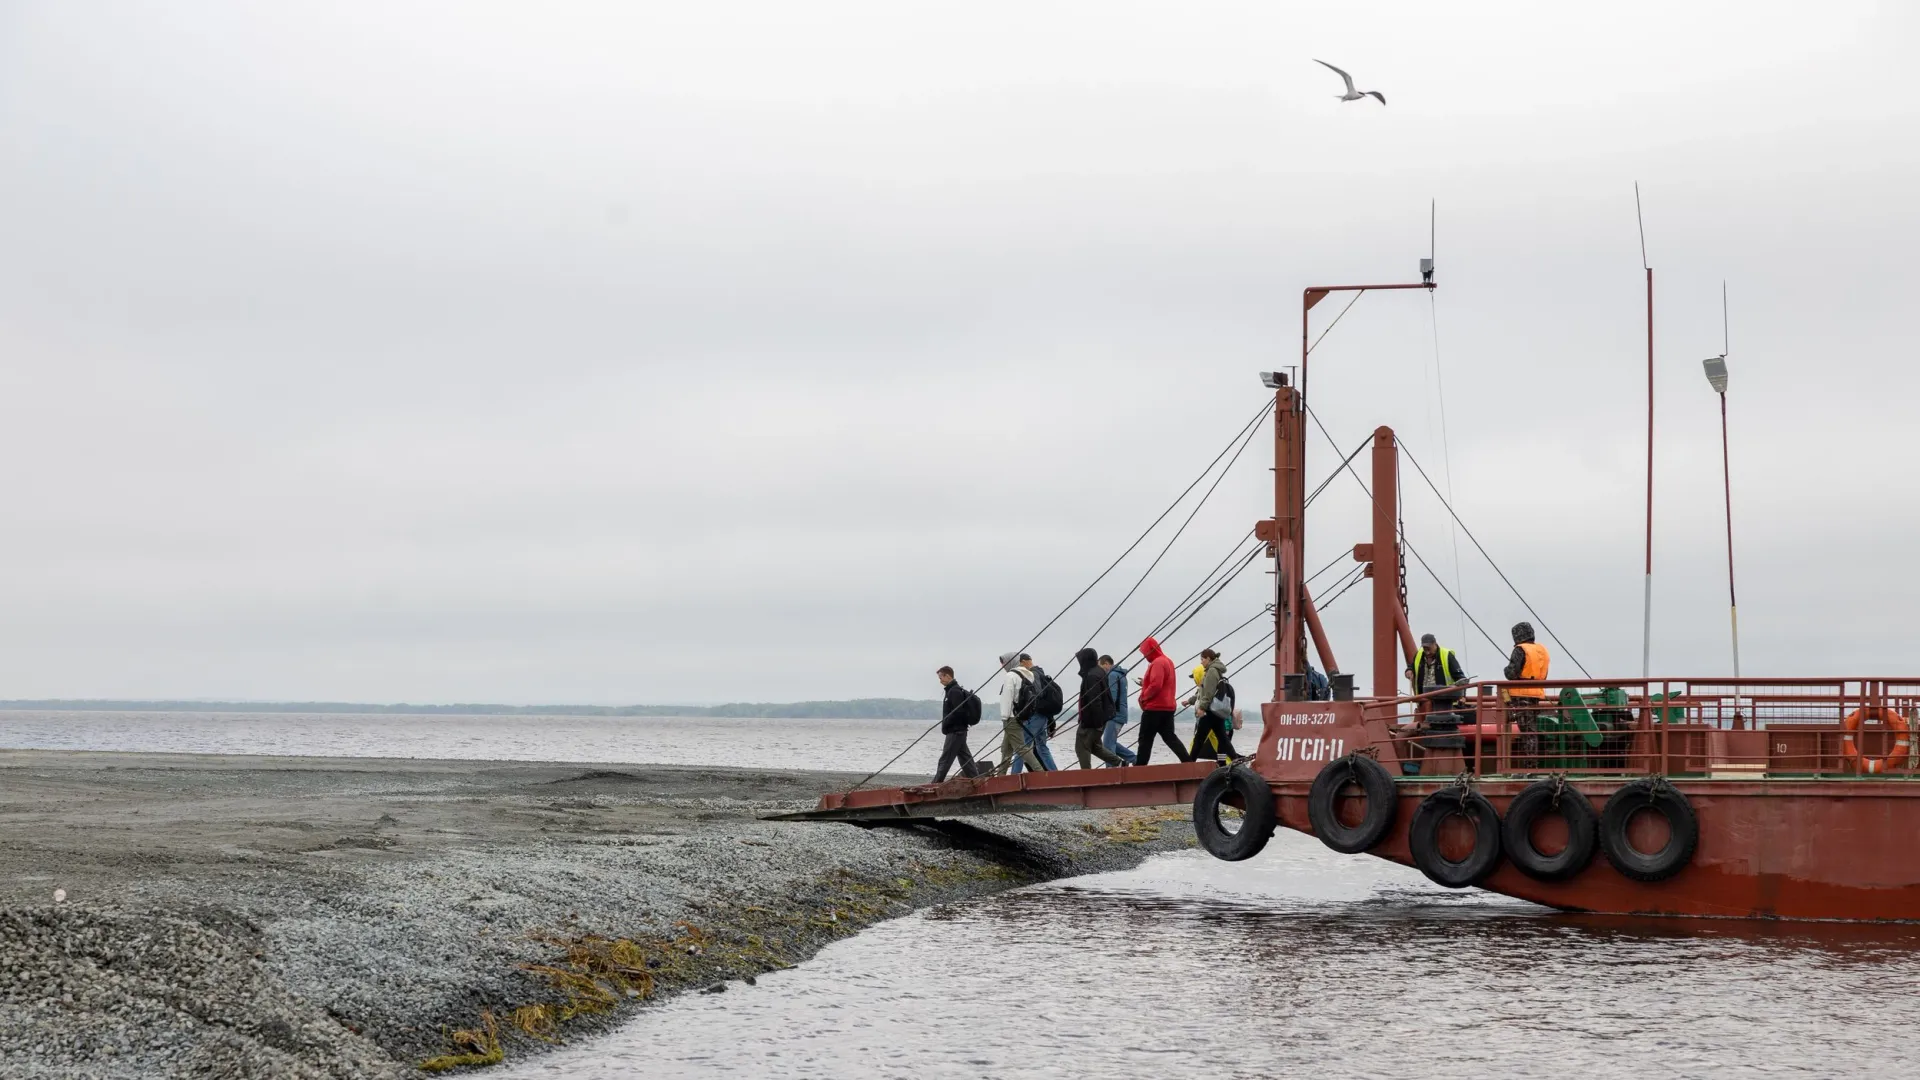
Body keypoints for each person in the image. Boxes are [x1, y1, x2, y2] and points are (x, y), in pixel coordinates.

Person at [1404, 633, 1469, 775]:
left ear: (1435, 644)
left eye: (1429, 648)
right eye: (1424, 648)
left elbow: (1460, 678)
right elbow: (1411, 666)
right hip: (1424, 699)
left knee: (1432, 717)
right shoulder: (1419, 655)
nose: (1427, 651)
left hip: (1443, 702)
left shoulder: (1447, 656)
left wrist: (1462, 696)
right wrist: (1409, 671)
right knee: (1425, 713)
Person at [1133, 636, 1191, 765]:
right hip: (1168, 707)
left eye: (1145, 652)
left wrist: (1143, 697)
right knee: (1170, 737)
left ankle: (1139, 768)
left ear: (1150, 650)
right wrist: (1145, 684)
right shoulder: (1168, 661)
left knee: (1145, 740)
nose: (1144, 656)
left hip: (1154, 708)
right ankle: (1188, 762)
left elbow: (1156, 685)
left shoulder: (1157, 663)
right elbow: (1162, 683)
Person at [1504, 621, 1552, 765]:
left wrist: (1505, 670)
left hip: (1521, 694)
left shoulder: (1520, 649)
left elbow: (1512, 673)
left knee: (1527, 731)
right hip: (1536, 694)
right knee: (1533, 729)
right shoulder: (1541, 650)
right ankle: (1533, 763)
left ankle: (1530, 765)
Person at [994, 651, 1043, 775]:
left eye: (1004, 663)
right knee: (1006, 748)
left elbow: (1007, 697)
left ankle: (1040, 772)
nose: (1003, 666)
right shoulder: (1028, 675)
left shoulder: (1011, 676)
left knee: (1021, 748)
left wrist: (1004, 718)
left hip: (1010, 717)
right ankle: (1001, 775)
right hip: (1020, 715)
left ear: (1011, 661)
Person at [1073, 648, 1123, 769]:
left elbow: (1095, 701)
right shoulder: (1099, 672)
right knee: (1095, 746)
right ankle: (1120, 763)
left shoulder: (1091, 676)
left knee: (1081, 747)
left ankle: (1086, 777)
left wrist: (1096, 722)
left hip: (1092, 721)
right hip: (1099, 719)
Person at [1190, 649, 1241, 762]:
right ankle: (1235, 760)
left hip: (1210, 711)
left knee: (1199, 738)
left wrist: (1202, 707)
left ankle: (1188, 764)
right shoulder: (1216, 670)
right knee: (1223, 739)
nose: (1201, 662)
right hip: (1215, 713)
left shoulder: (1212, 671)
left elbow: (1209, 692)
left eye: (1202, 659)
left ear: (1208, 659)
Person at [932, 665, 982, 782]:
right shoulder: (951, 690)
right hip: (958, 731)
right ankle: (976, 780)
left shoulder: (954, 691)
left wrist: (947, 722)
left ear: (948, 676)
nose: (940, 681)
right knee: (965, 758)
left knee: (945, 760)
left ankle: (936, 783)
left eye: (941, 678)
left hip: (956, 731)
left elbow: (958, 712)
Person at [1013, 654, 1060, 773]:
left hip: (1035, 716)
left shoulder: (1033, 674)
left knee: (1022, 747)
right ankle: (1055, 774)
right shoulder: (1041, 673)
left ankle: (1014, 776)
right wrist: (1050, 721)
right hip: (1043, 716)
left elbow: (1037, 695)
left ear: (1023, 662)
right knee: (1042, 747)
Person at [1098, 655, 1137, 766]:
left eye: (1100, 666)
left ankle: (1111, 771)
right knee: (1111, 742)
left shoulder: (1112, 675)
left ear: (1106, 663)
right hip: (1121, 714)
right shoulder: (1121, 675)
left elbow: (1112, 698)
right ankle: (1135, 760)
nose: (1100, 670)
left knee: (1107, 746)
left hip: (1114, 715)